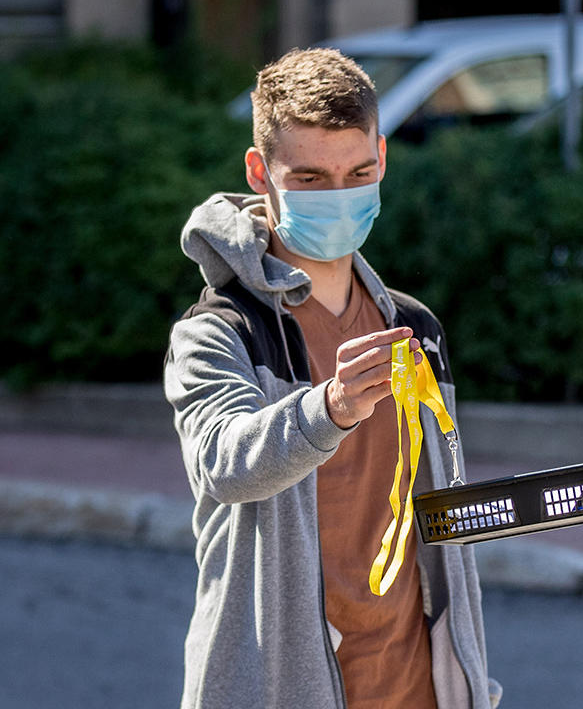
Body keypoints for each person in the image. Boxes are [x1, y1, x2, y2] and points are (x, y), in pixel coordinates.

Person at [164, 48, 500, 709]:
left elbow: (434, 517)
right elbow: (225, 466)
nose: (340, 196)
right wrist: (332, 407)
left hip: (416, 689)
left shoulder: (414, 328)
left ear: (383, 155)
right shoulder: (219, 331)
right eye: (312, 178)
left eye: (359, 172)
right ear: (261, 172)